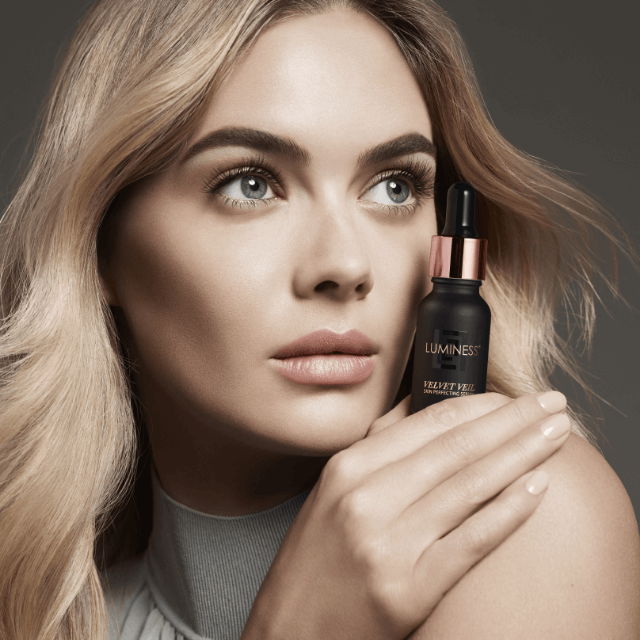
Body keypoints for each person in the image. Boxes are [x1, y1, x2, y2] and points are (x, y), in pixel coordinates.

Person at [0, 0, 638, 639]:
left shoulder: (520, 520)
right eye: (250, 184)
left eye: (393, 186)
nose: (346, 264)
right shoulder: (51, 604)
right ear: (101, 245)